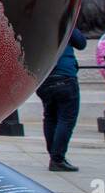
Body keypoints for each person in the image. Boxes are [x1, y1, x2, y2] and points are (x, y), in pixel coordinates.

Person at [37, 28, 86, 171]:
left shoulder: (36, 24)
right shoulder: (64, 21)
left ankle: (54, 155)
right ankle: (57, 158)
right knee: (66, 119)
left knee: (50, 117)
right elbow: (81, 43)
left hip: (43, 77)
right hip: (65, 76)